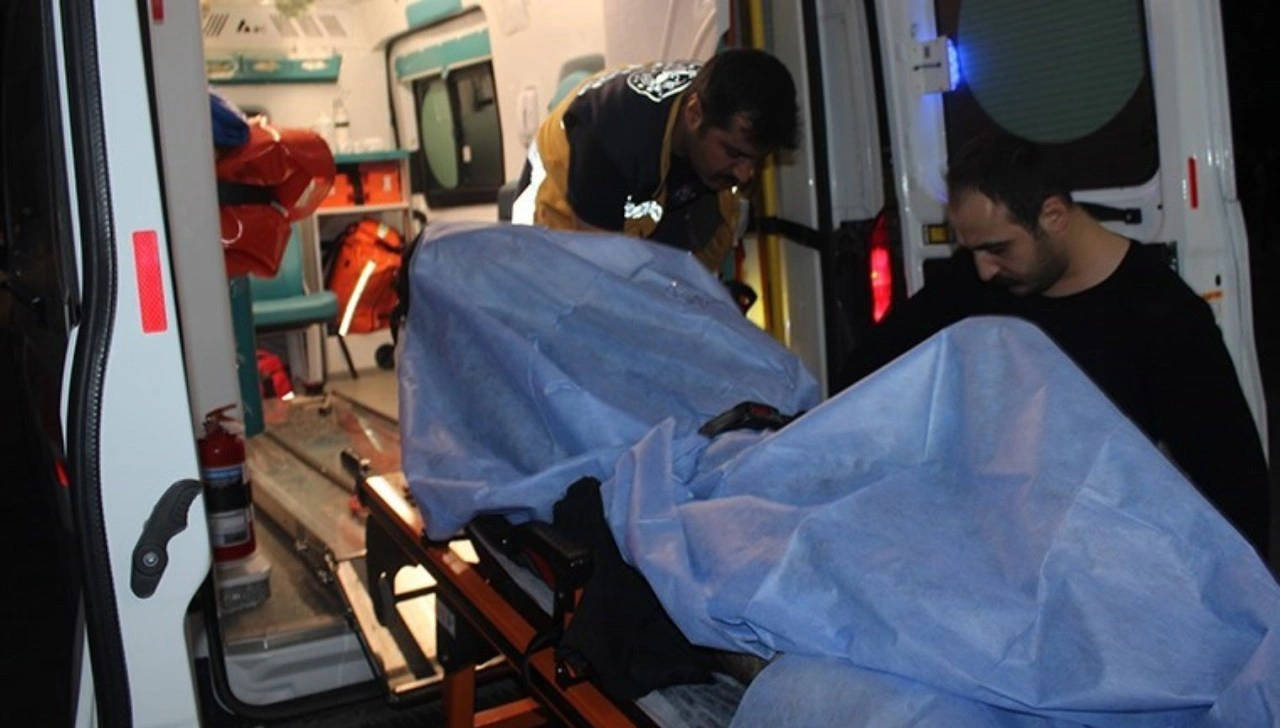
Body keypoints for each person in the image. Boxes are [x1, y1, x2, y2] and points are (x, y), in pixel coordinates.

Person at [838, 134, 1271, 558]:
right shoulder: (973, 284)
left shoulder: (1163, 315)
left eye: (997, 248)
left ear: (1054, 215)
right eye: (971, 251)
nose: (985, 269)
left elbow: (1233, 485)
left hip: (1107, 557)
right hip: (993, 546)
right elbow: (867, 373)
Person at [511, 48, 800, 273]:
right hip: (559, 205)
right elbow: (599, 280)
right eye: (734, 154)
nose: (745, 174)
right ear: (694, 114)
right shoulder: (610, 140)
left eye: (756, 160)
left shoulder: (719, 100)